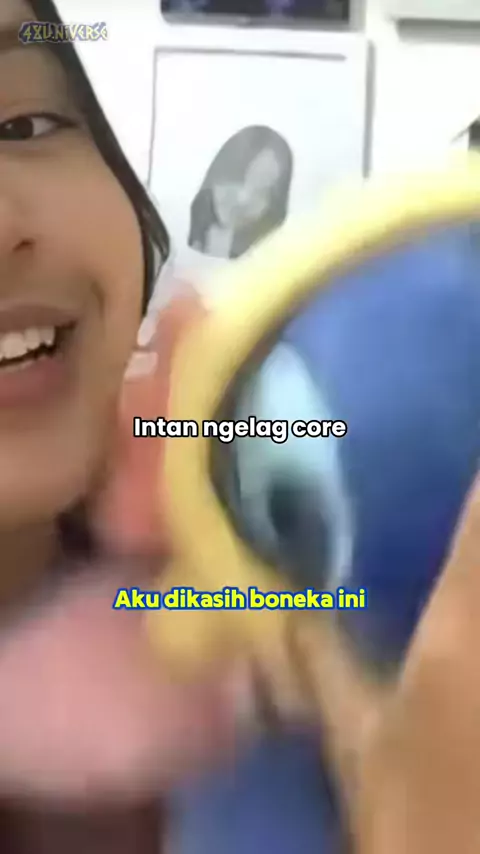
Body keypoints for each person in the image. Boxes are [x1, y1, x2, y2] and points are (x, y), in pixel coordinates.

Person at [188, 126, 293, 260]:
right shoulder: (207, 202)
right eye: (260, 164)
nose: (244, 199)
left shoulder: (270, 224)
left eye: (271, 169)